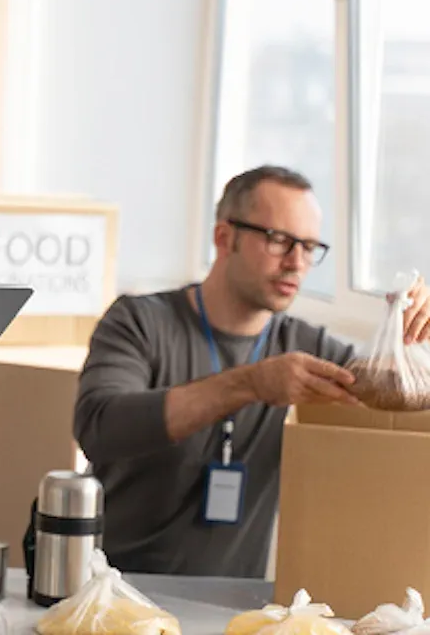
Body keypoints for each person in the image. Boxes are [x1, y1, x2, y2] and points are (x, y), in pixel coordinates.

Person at [73, 165, 430, 578]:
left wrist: (409, 332)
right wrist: (249, 383)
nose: (297, 263)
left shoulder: (306, 346)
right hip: (111, 589)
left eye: (310, 247)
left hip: (233, 606)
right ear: (224, 238)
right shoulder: (139, 321)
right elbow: (99, 426)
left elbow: (399, 398)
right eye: (280, 241)